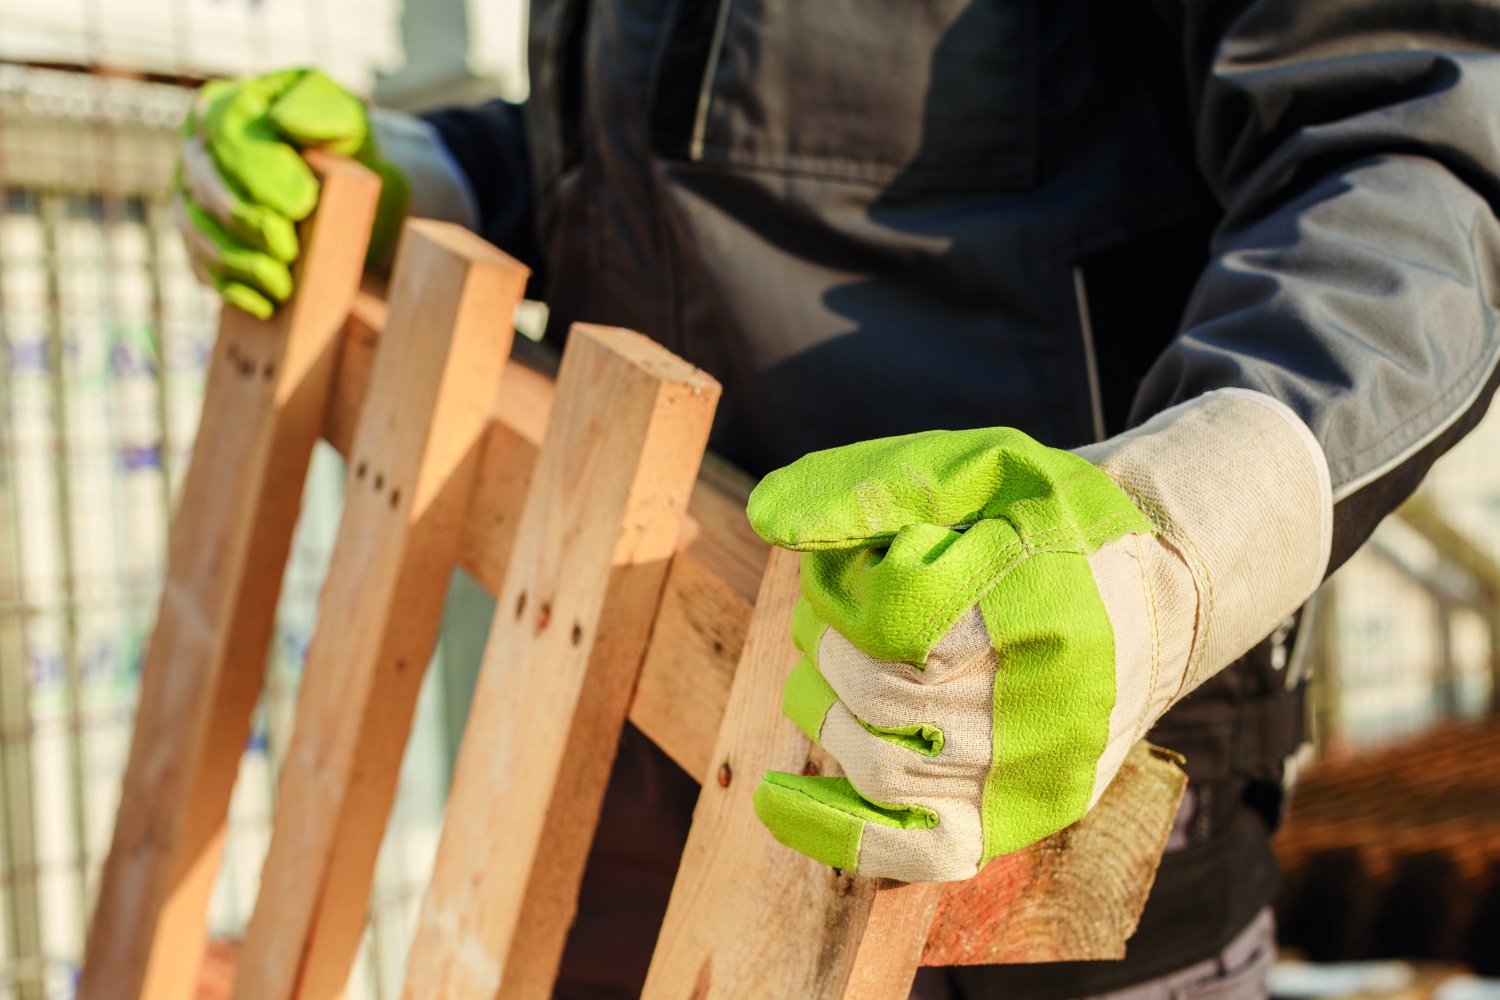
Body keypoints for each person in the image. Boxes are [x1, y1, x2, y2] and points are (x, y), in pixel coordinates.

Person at [174, 2, 1500, 998]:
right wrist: (466, 173)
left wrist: (1186, 530)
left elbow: (1404, 148)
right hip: (632, 767)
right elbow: (663, 158)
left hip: (1005, 808)